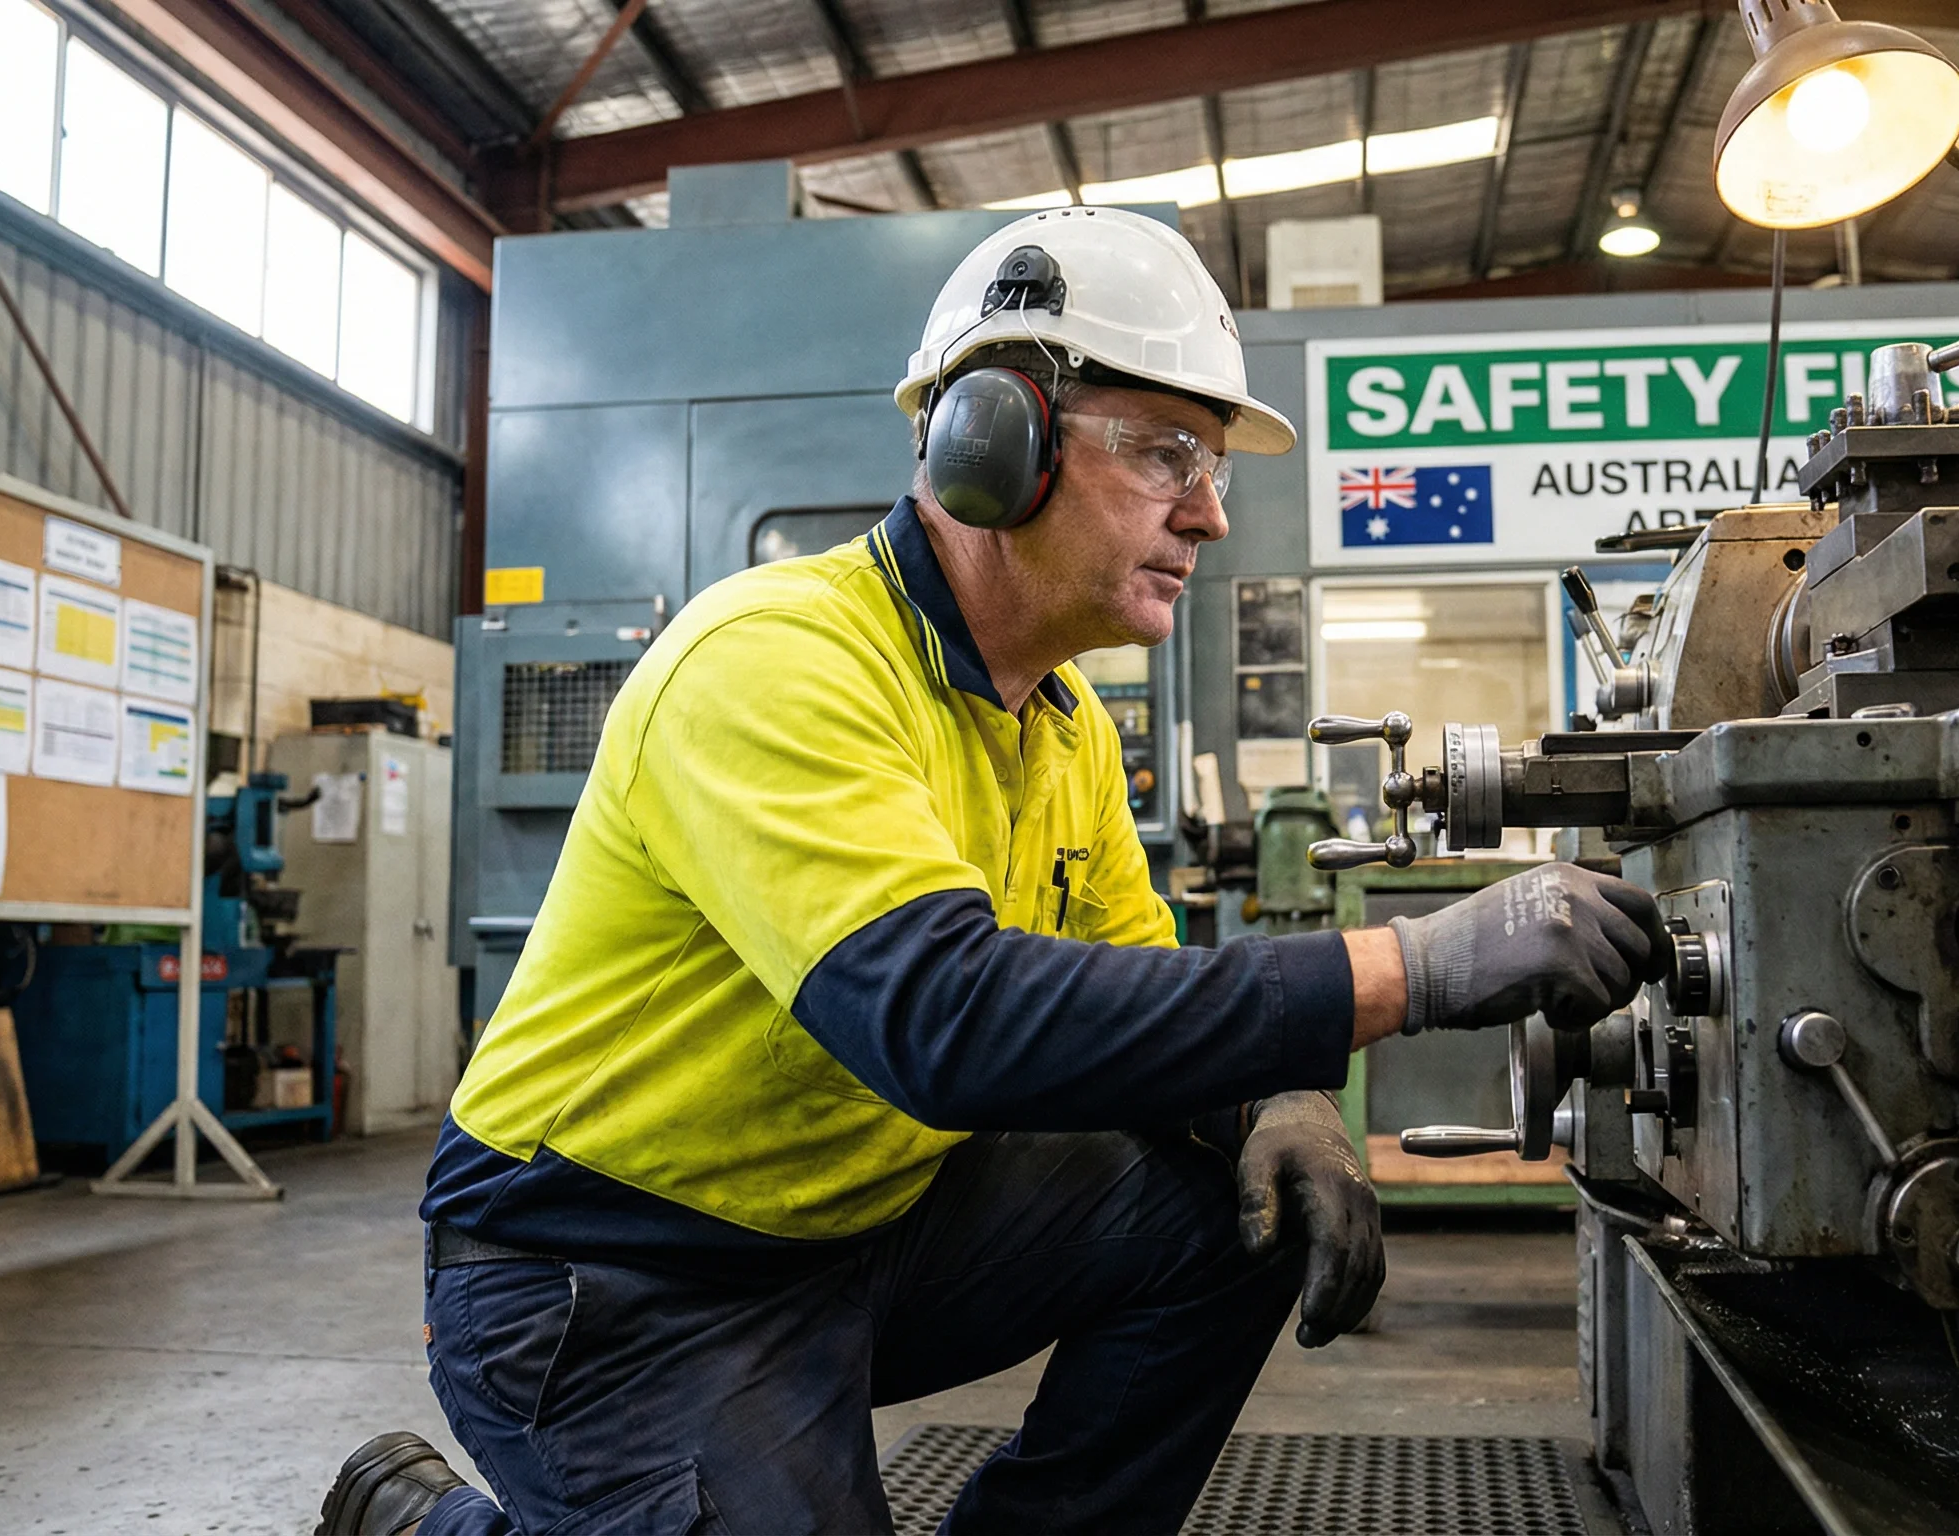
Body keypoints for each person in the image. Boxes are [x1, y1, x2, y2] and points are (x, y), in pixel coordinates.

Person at [316, 207, 1668, 1536]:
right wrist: (1409, 970)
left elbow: (1139, 989)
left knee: (1229, 1203)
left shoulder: (1058, 721)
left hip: (858, 1229)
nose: (1207, 513)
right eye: (1167, 455)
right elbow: (943, 1021)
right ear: (993, 442)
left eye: (1214, 468)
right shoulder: (776, 658)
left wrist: (1279, 1094)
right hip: (606, 1274)